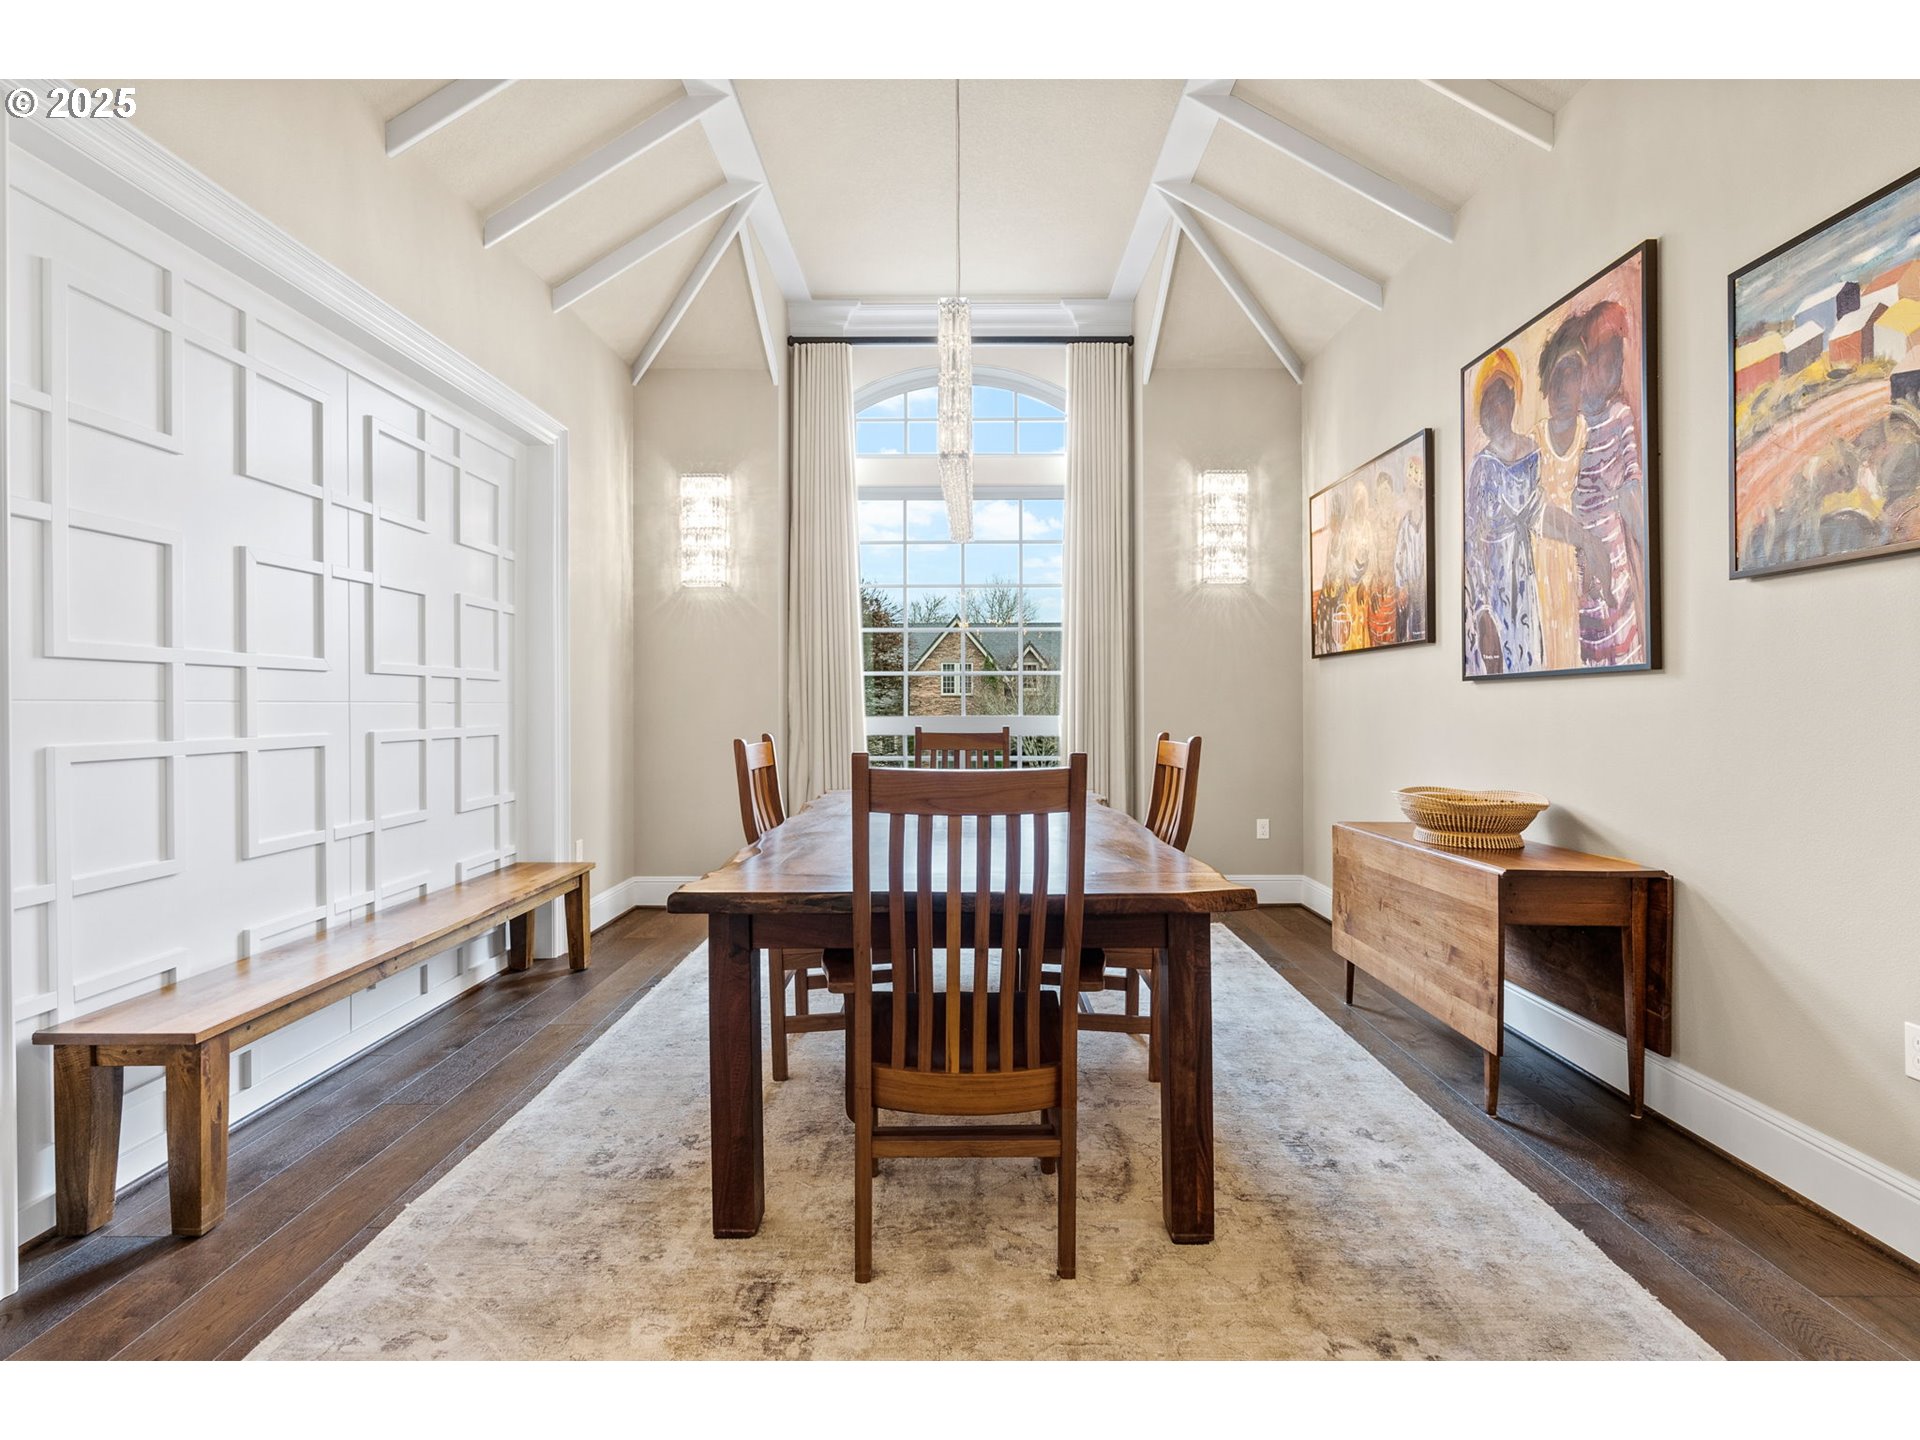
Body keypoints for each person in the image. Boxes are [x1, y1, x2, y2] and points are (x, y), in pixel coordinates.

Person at [1573, 300, 1648, 667]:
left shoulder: (1621, 416)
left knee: (1620, 645)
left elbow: (1633, 484)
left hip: (1615, 557)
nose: (1617, 367)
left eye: (1620, 357)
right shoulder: (1572, 424)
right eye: (1608, 357)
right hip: (1578, 559)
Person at [1463, 348, 1543, 675]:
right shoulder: (1482, 467)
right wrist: (1482, 612)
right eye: (1489, 401)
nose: (1496, 409)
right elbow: (1471, 544)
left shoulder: (1534, 454)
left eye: (1501, 398)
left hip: (1525, 580)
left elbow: (1542, 513)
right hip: (1494, 592)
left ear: (1512, 401)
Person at [1533, 318, 1589, 672]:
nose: (1563, 390)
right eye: (1556, 380)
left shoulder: (1589, 433)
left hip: (1576, 561)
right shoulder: (1533, 441)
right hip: (1541, 562)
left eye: (1571, 376)